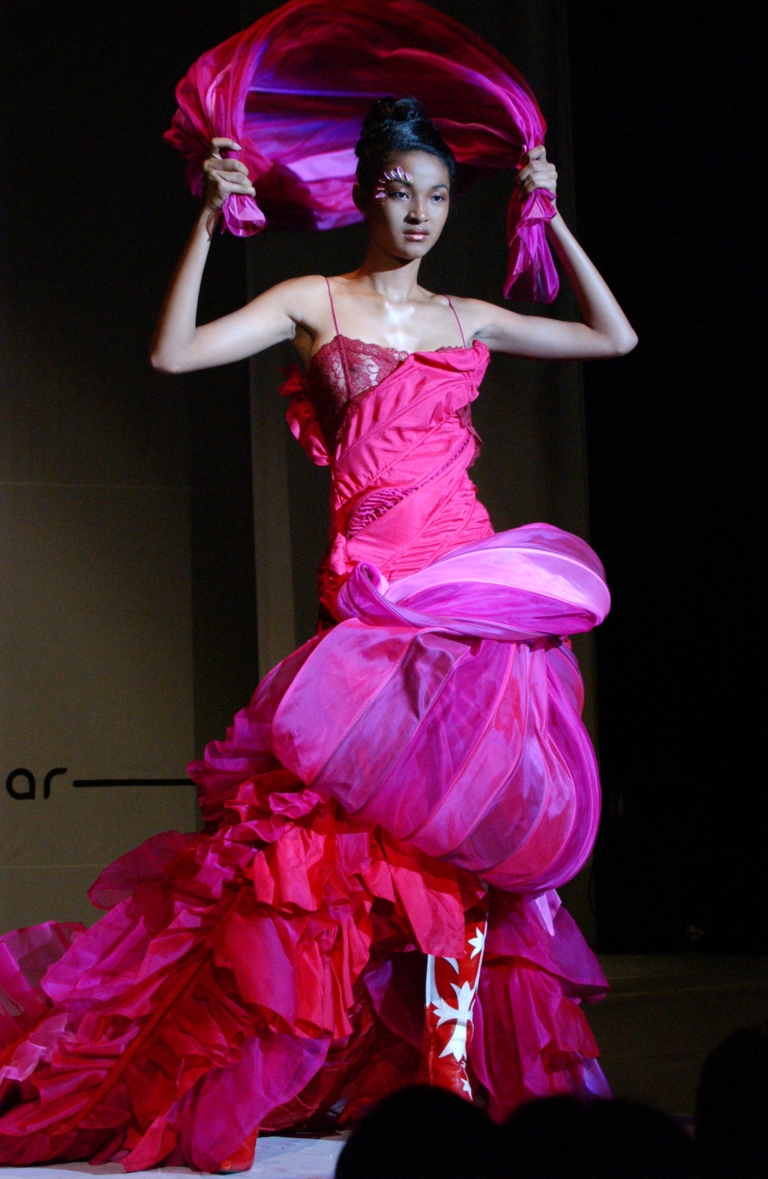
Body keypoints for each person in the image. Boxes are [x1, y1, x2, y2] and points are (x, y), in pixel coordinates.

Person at [0, 98, 635, 1173]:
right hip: (377, 598)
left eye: (439, 196)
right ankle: (334, 1059)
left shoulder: (468, 316)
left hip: (471, 589)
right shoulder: (314, 299)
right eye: (401, 192)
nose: (422, 213)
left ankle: (449, 1076)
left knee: (464, 849)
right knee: (337, 847)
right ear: (364, 195)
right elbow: (174, 353)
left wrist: (552, 216)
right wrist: (210, 221)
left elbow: (614, 336)